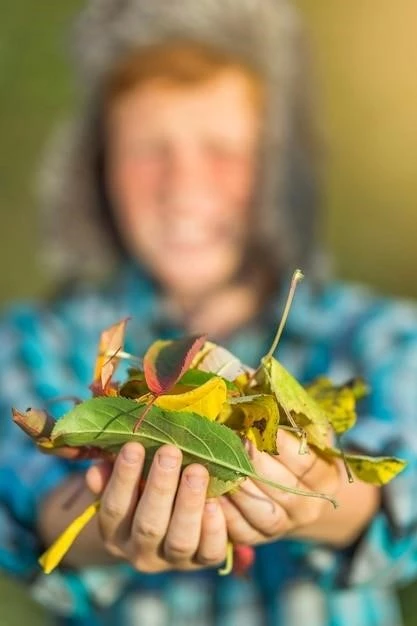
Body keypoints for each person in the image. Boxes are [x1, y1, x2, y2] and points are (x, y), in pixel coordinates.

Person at [1, 1, 417, 625]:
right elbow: (22, 500)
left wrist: (323, 494)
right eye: (148, 149)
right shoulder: (37, 341)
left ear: (280, 170)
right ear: (98, 170)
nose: (184, 185)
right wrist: (110, 524)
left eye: (223, 148)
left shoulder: (377, 335)